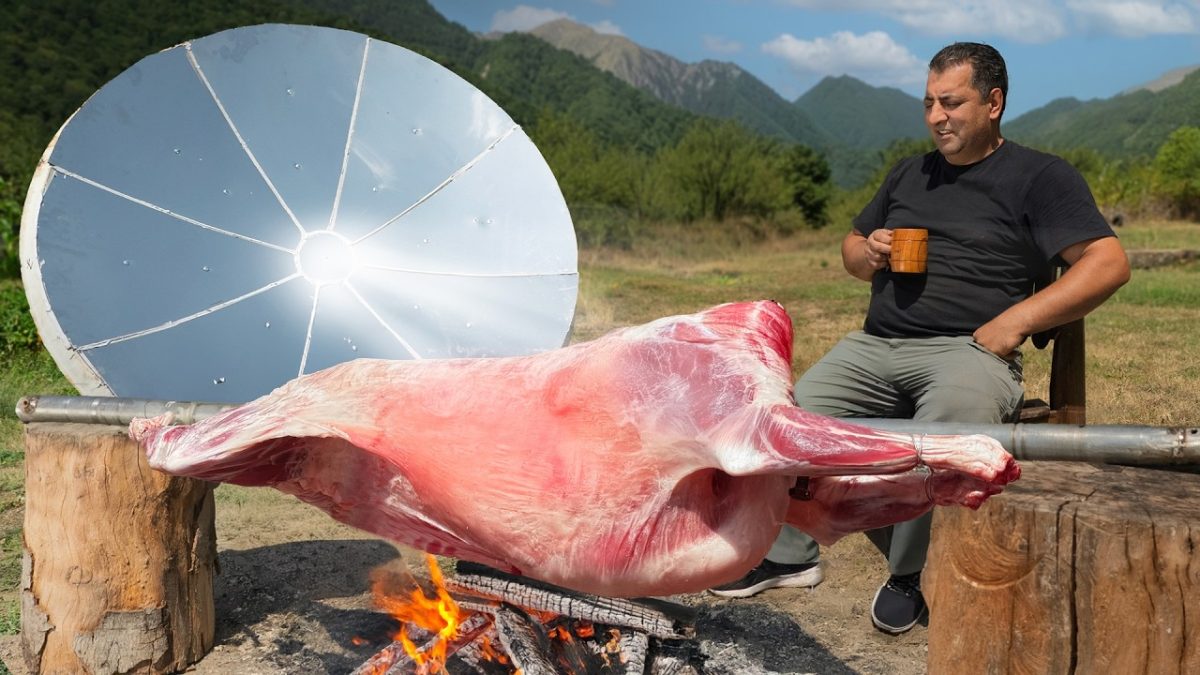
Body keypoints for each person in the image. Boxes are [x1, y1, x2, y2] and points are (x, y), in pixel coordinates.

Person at [710, 42, 1130, 635]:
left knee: (949, 425)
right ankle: (787, 554)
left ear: (994, 103)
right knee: (786, 416)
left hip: (967, 351)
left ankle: (912, 574)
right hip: (876, 345)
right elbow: (853, 251)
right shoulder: (910, 171)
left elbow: (1107, 263)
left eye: (951, 103)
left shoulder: (1041, 176)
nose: (936, 116)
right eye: (929, 103)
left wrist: (1014, 324)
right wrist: (869, 250)